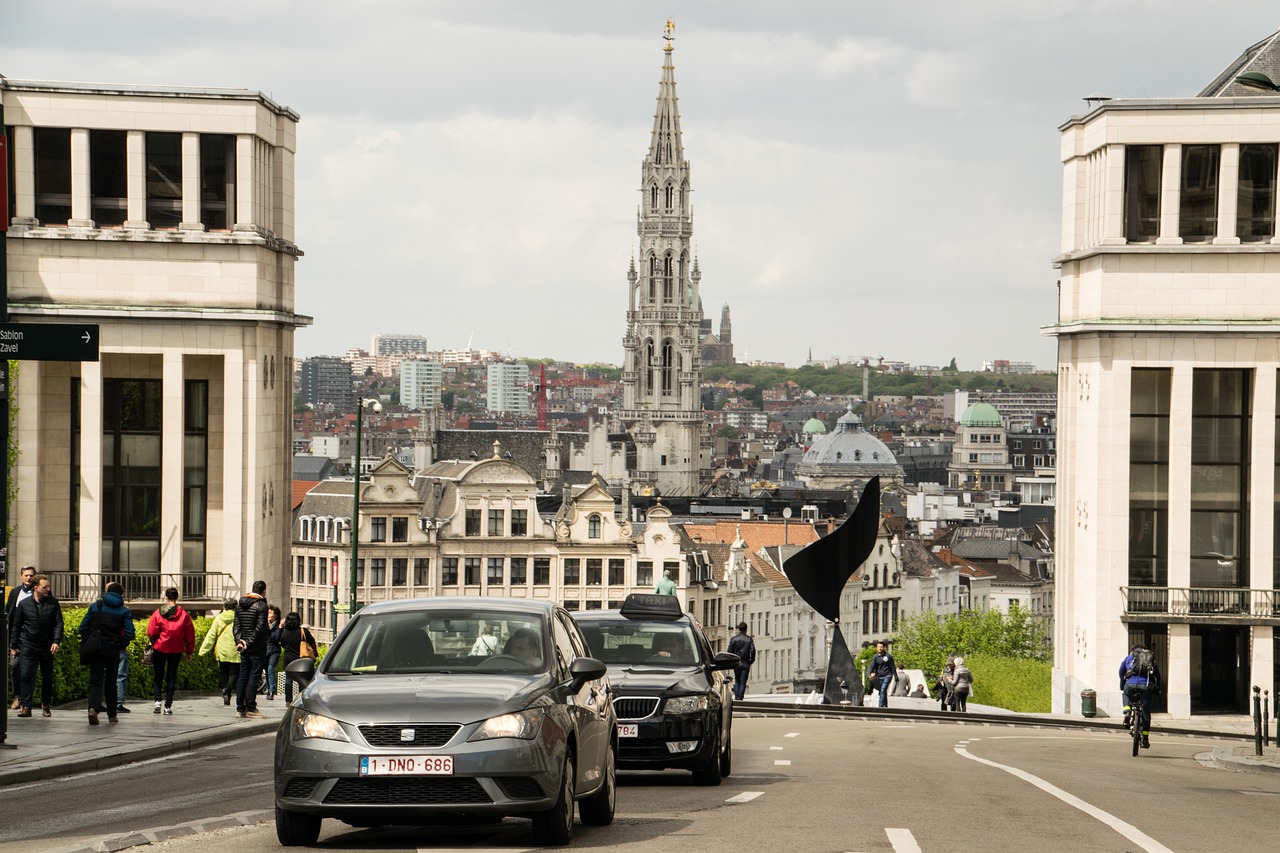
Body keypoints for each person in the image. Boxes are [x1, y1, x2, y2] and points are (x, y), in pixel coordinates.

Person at [78, 581, 135, 726]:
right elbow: (130, 633)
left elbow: (82, 627)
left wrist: (90, 640)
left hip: (96, 649)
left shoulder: (96, 606)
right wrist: (120, 643)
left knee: (96, 681)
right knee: (111, 682)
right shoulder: (124, 611)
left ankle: (93, 709)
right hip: (113, 650)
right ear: (121, 594)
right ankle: (112, 715)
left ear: (107, 591)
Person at [9, 573, 63, 717]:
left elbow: (58, 623)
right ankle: (26, 706)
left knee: (47, 676)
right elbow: (17, 625)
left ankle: (45, 705)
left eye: (48, 587)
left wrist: (56, 641)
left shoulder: (53, 603)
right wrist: (14, 645)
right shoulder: (24, 604)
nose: (47, 589)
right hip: (28, 644)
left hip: (46, 644)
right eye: (44, 587)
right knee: (26, 674)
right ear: (36, 588)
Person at [146, 587, 195, 715]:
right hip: (176, 649)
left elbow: (151, 631)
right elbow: (190, 634)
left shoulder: (158, 613)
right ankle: (168, 706)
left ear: (165, 597)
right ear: (177, 597)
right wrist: (189, 651)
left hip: (160, 647)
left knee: (158, 675)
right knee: (171, 676)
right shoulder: (183, 614)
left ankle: (157, 702)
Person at [232, 580, 269, 718]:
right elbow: (260, 627)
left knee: (243, 675)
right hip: (257, 646)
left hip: (243, 646)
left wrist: (239, 641)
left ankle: (240, 708)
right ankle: (251, 708)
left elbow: (236, 626)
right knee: (254, 675)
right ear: (263, 591)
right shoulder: (261, 606)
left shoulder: (240, 605)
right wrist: (250, 642)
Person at [199, 598, 241, 705]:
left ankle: (226, 693)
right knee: (235, 673)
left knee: (223, 672)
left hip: (221, 649)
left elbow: (211, 635)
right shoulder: (239, 618)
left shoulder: (219, 618)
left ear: (225, 607)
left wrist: (203, 650)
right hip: (235, 648)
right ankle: (227, 689)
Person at [1120, 643, 1161, 749]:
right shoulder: (1151, 659)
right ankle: (1145, 739)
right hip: (1145, 686)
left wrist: (1122, 685)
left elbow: (1121, 672)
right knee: (1146, 712)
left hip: (1130, 684)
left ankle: (1127, 713)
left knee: (1126, 694)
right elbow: (1157, 676)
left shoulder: (1129, 658)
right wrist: (1158, 688)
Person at [6, 566, 36, 710]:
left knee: (30, 670)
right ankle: (18, 696)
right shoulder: (15, 592)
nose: (28, 578)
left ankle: (27, 701)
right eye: (26, 575)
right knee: (15, 667)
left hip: (33, 639)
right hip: (17, 638)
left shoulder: (38, 593)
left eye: (31, 575)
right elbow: (9, 615)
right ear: (21, 576)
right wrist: (12, 642)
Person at [278, 611, 317, 703]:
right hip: (302, 659)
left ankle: (288, 700)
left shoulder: (285, 633)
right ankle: (301, 699)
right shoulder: (304, 631)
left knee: (288, 680)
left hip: (289, 659)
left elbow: (282, 643)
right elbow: (312, 642)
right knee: (302, 680)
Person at [726, 622, 756, 701]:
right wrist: (751, 660)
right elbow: (752, 651)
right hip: (745, 662)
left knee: (737, 680)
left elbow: (729, 651)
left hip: (736, 662)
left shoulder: (734, 639)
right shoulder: (749, 639)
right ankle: (740, 697)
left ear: (739, 629)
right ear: (746, 629)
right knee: (743, 681)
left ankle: (736, 697)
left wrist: (731, 661)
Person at [866, 641, 897, 708]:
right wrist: (869, 674)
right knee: (882, 691)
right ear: (877, 648)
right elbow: (872, 666)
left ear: (884, 648)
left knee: (883, 689)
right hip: (879, 676)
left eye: (881, 647)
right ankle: (885, 705)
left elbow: (892, 667)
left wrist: (895, 676)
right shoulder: (875, 657)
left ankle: (880, 706)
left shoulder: (888, 656)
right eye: (878, 647)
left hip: (887, 675)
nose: (880, 648)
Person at [265, 606, 282, 700]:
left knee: (270, 669)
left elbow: (277, 639)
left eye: (270, 613)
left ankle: (271, 690)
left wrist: (279, 628)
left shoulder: (279, 626)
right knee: (266, 670)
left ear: (275, 615)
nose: (268, 615)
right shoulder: (264, 624)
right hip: (265, 650)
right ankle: (268, 689)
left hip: (274, 651)